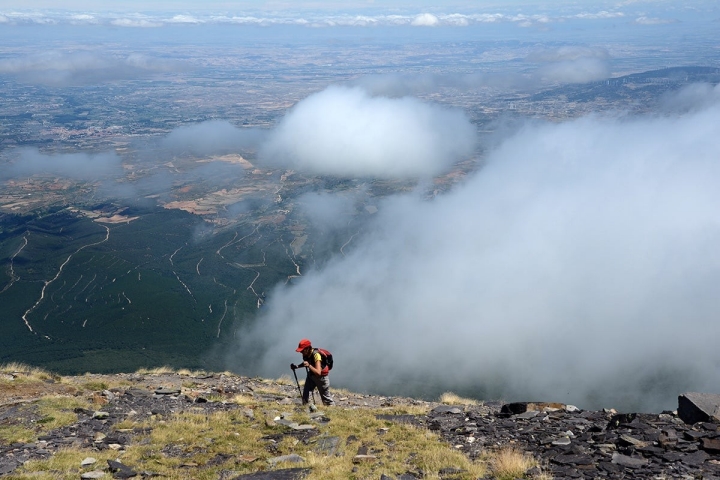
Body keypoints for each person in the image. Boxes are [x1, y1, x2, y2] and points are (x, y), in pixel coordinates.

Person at [293, 338, 335, 406]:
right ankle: (306, 409)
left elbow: (318, 373)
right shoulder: (307, 354)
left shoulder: (316, 355)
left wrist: (309, 365)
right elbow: (306, 363)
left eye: (302, 350)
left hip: (321, 379)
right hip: (311, 375)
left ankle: (333, 413)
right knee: (306, 396)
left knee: (327, 400)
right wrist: (297, 366)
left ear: (308, 348)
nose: (301, 352)